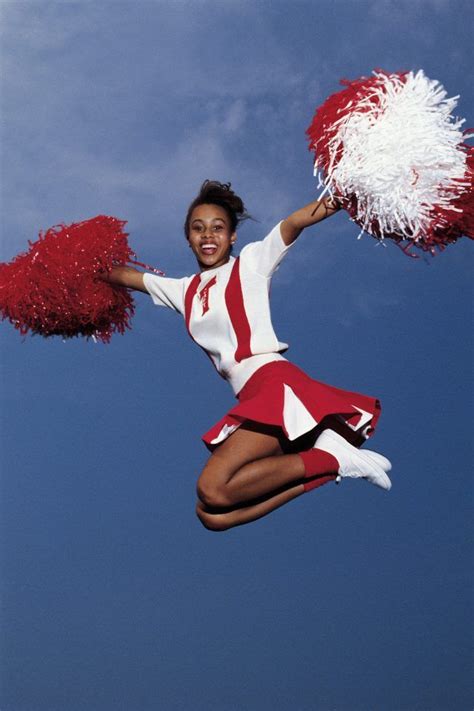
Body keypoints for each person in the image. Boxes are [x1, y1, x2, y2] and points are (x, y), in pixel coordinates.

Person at [104, 180, 392, 531]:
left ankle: (331, 458)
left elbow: (292, 224)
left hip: (273, 381)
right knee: (212, 514)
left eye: (218, 228)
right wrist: (75, 268)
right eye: (198, 229)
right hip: (251, 394)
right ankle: (331, 463)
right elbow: (124, 276)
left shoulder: (250, 264)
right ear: (188, 238)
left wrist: (342, 198)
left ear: (232, 237)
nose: (208, 235)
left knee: (211, 487)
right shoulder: (183, 291)